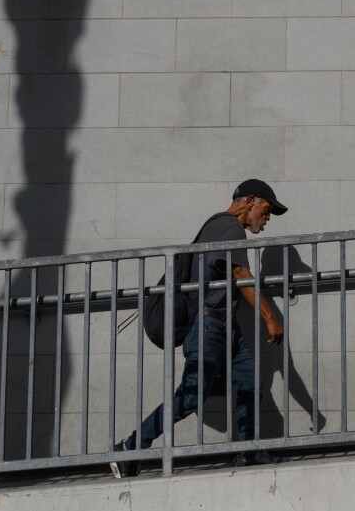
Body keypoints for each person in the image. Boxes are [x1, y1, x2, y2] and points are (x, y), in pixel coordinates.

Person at [112, 180, 287, 476]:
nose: (266, 219)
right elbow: (240, 272)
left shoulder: (224, 228)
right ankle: (132, 446)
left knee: (249, 383)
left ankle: (247, 450)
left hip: (225, 326)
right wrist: (270, 317)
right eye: (266, 211)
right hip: (209, 326)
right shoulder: (228, 226)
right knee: (191, 395)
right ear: (250, 201)